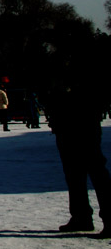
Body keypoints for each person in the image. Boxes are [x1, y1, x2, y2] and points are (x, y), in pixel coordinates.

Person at [47, 63, 111, 239]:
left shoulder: (84, 64)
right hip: (68, 124)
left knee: (96, 172)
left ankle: (103, 218)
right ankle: (81, 216)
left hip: (83, 123)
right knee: (74, 174)